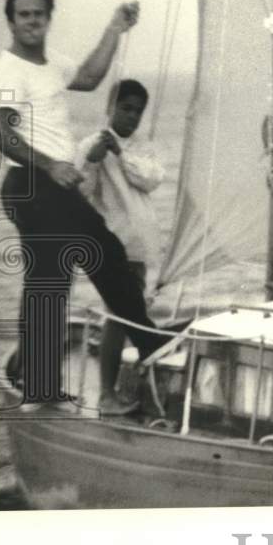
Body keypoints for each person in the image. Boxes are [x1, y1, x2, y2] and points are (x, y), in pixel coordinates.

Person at [0, 0, 166, 413]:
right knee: (96, 253)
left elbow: (87, 78)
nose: (32, 21)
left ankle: (40, 378)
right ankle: (147, 340)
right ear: (11, 21)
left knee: (58, 278)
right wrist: (49, 165)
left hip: (53, 187)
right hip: (32, 184)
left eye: (39, 13)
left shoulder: (50, 64)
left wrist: (114, 29)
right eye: (24, 14)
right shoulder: (8, 70)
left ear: (49, 18)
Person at [75, 78, 165, 414]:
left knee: (133, 315)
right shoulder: (90, 144)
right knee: (119, 316)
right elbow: (80, 192)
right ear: (110, 107)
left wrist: (120, 152)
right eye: (125, 108)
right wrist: (94, 160)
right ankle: (106, 396)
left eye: (137, 111)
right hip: (115, 246)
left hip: (141, 247)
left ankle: (131, 387)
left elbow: (152, 178)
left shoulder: (143, 146)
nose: (131, 117)